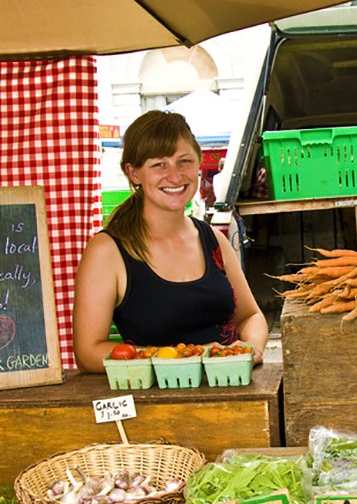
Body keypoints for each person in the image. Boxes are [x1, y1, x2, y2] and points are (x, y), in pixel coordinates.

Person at [73, 110, 268, 373]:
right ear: (133, 173)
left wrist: (248, 351)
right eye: (159, 165)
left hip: (230, 388)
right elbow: (88, 351)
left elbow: (250, 316)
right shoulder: (107, 251)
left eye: (184, 161)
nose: (175, 176)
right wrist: (183, 357)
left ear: (199, 164)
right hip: (152, 404)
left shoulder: (214, 240)